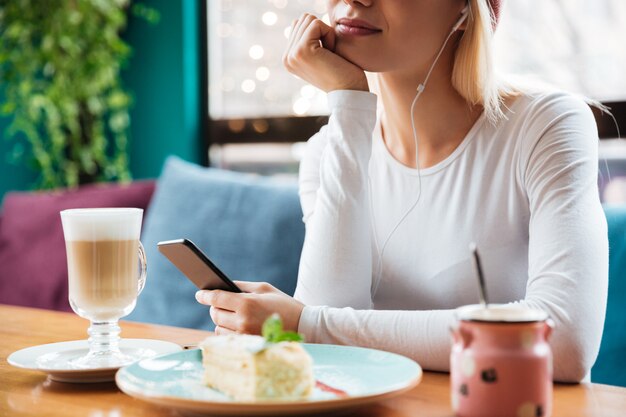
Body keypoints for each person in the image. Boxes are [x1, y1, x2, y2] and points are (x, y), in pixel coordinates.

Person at [195, 0, 608, 383]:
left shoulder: (546, 125)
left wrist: (307, 323)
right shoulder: (330, 149)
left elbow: (564, 340)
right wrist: (349, 105)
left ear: (464, 8)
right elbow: (327, 352)